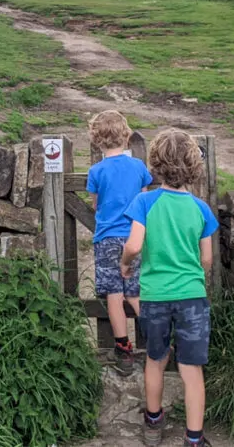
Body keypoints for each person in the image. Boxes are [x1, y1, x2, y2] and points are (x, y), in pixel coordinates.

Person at [121, 128, 218, 447]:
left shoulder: (145, 201)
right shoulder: (201, 209)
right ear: (193, 166)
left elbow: (134, 246)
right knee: (192, 369)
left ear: (155, 164)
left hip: (154, 296)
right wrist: (193, 273)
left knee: (155, 358)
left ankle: (152, 422)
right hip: (192, 297)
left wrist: (125, 264)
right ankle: (193, 438)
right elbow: (207, 260)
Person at [87, 110, 153, 375]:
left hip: (106, 238)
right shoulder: (138, 167)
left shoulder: (96, 170)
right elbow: (144, 198)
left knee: (114, 295)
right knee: (135, 292)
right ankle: (158, 338)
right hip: (134, 237)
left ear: (97, 140)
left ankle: (123, 349)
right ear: (126, 135)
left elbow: (94, 204)